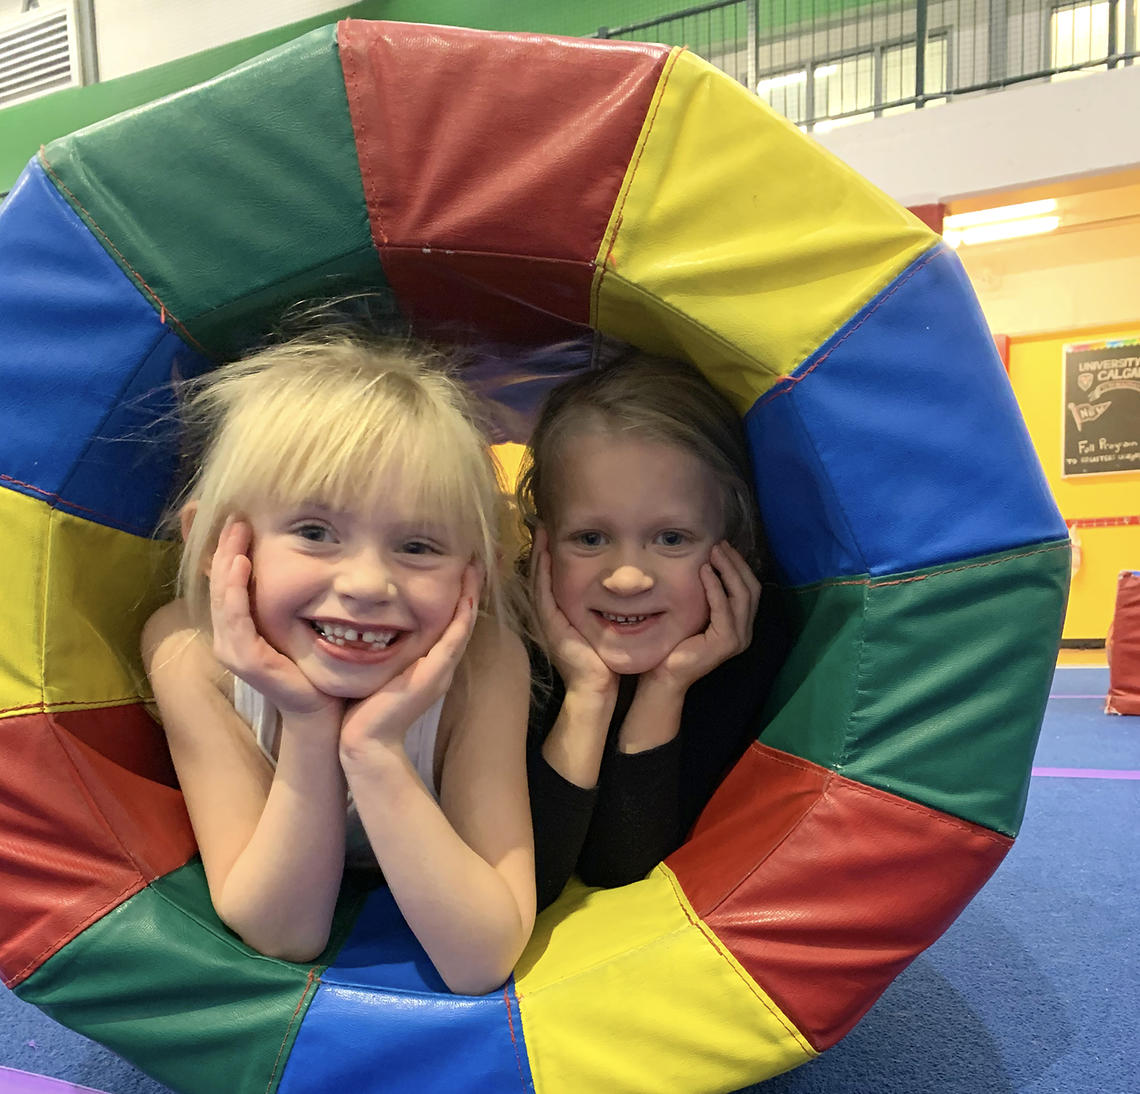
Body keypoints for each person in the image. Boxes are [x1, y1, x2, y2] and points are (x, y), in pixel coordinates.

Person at [142, 332, 535, 995]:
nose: (366, 583)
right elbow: (284, 933)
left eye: (416, 545)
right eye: (315, 532)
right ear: (215, 544)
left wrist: (375, 748)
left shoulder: (484, 662)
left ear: (477, 572)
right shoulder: (192, 654)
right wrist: (305, 719)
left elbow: (483, 958)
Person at [517, 347, 789, 911]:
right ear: (541, 543)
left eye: (671, 539)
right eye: (590, 538)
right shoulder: (511, 643)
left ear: (731, 545)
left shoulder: (755, 647)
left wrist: (667, 688)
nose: (626, 577)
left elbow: (621, 866)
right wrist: (587, 694)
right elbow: (526, 883)